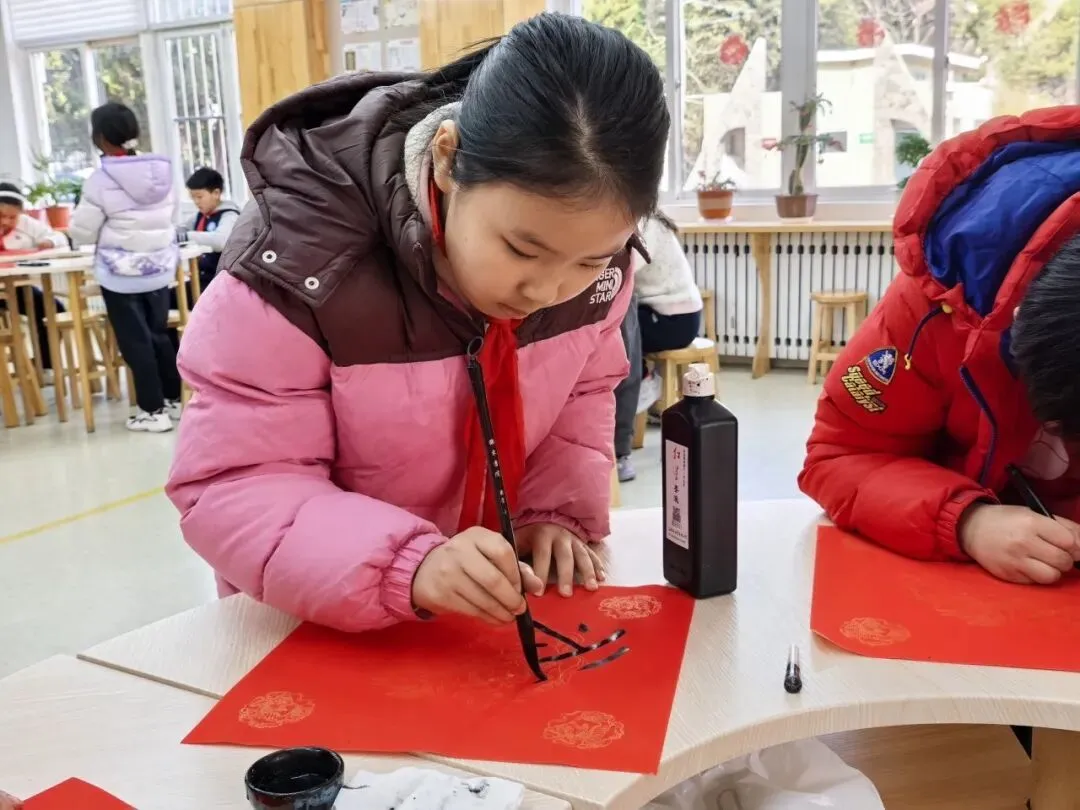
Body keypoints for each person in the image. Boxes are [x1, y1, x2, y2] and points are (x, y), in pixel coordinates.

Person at [167, 12, 668, 633]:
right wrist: (407, 564)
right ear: (448, 159)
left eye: (591, 260)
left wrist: (553, 514)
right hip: (311, 622)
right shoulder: (300, 265)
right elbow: (236, 483)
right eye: (521, 250)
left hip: (475, 615)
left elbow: (579, 396)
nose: (546, 291)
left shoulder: (596, 276)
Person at [800, 107, 1080, 587]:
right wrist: (968, 521)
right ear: (1022, 328)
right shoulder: (939, 304)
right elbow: (840, 457)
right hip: (972, 572)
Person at [68, 102, 183, 433]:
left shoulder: (101, 179)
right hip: (158, 267)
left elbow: (83, 231)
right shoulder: (161, 171)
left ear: (100, 137)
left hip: (120, 274)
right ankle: (173, 400)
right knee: (159, 334)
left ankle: (152, 411)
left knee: (135, 341)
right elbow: (173, 217)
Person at [612, 212, 702, 482]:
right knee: (622, 320)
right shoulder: (648, 218)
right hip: (672, 314)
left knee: (618, 329)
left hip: (673, 320)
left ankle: (644, 382)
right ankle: (642, 382)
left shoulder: (645, 224)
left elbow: (624, 269)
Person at [0, 182, 68, 378]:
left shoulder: (26, 224)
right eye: (1, 216)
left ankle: (44, 365)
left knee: (52, 309)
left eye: (12, 217)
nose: (5, 221)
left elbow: (58, 237)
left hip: (16, 287)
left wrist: (49, 242)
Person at [176, 167, 240, 291]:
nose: (196, 202)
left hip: (222, 282)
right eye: (193, 197)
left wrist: (186, 236)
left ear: (216, 193)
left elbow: (220, 241)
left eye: (199, 197)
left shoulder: (230, 215)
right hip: (201, 277)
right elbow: (182, 228)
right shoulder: (201, 215)